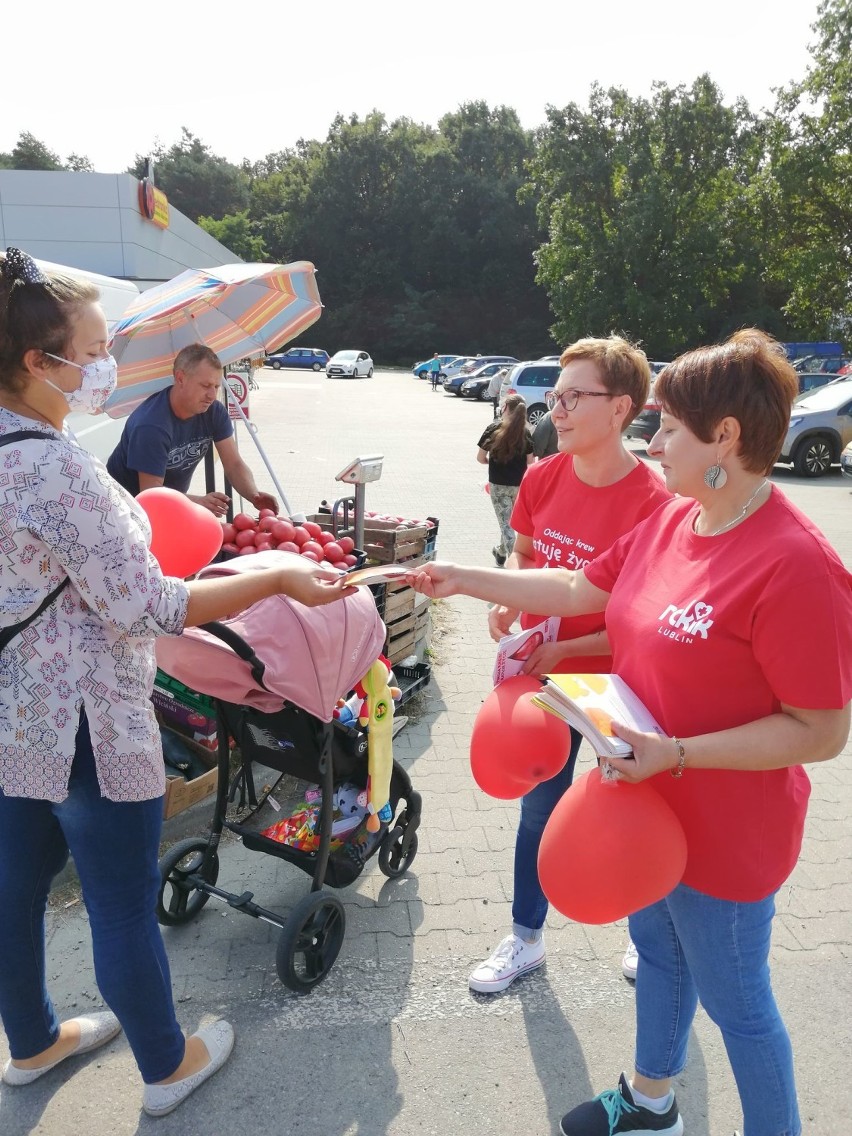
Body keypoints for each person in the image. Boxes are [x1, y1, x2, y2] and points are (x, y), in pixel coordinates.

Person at [408, 329, 852, 1136]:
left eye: (670, 428)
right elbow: (579, 584)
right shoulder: (675, 521)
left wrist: (677, 754)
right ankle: (651, 1106)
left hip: (726, 832)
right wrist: (463, 578)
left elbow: (821, 732)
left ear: (726, 437)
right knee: (657, 956)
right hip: (642, 805)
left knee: (738, 1005)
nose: (653, 441)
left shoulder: (796, 563)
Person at [0, 249, 351, 1117]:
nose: (105, 361)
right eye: (92, 346)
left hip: (13, 714)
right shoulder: (54, 469)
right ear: (40, 362)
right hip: (88, 720)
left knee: (12, 889)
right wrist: (273, 577)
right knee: (120, 902)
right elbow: (152, 605)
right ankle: (167, 1066)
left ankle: (34, 1040)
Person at [468, 337, 672, 994]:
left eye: (574, 396)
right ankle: (525, 938)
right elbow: (525, 559)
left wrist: (571, 650)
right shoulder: (540, 475)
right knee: (539, 811)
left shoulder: (655, 500)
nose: (556, 409)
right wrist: (507, 599)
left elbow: (640, 617)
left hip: (618, 683)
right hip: (545, 675)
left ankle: (648, 939)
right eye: (555, 395)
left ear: (620, 410)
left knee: (627, 807)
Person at [106, 343, 278, 518]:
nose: (212, 395)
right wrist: (198, 502)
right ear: (180, 378)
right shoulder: (151, 425)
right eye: (205, 385)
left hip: (169, 504)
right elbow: (151, 492)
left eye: (216, 387)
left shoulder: (214, 412)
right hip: (124, 511)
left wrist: (253, 495)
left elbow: (233, 463)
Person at [476, 393, 534, 566]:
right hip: (519, 485)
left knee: (506, 525)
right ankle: (500, 552)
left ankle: (515, 565)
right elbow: (530, 461)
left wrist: (491, 463)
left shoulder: (493, 429)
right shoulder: (526, 433)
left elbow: (480, 458)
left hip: (498, 484)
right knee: (509, 523)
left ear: (506, 408)